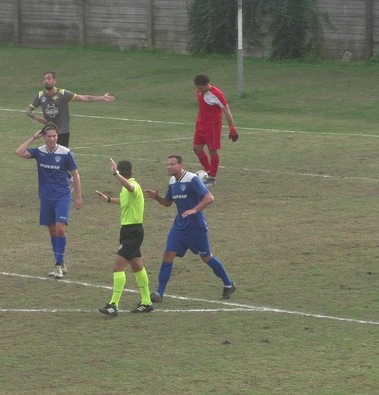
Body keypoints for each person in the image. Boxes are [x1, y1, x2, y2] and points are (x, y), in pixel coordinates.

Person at [144, 155, 236, 301]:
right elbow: (168, 203)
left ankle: (228, 284)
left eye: (172, 164)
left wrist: (195, 209)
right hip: (179, 227)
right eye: (167, 164)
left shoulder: (192, 179)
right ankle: (159, 293)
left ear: (181, 165)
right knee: (168, 254)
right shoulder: (172, 181)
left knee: (206, 257)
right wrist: (156, 197)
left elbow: (209, 197)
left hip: (196, 227)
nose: (169, 167)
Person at [15, 123, 83, 278]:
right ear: (44, 137)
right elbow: (19, 152)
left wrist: (78, 196)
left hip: (62, 196)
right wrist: (33, 137)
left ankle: (58, 265)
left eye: (55, 136)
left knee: (60, 228)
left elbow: (75, 174)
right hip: (46, 197)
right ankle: (61, 261)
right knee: (52, 230)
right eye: (49, 136)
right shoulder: (40, 152)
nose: (52, 139)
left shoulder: (65, 153)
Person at [95, 158, 154, 316]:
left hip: (133, 232)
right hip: (129, 231)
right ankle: (147, 302)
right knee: (136, 266)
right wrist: (108, 200)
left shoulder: (133, 185)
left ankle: (113, 304)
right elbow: (124, 201)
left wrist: (115, 174)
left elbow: (129, 187)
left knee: (118, 267)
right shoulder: (127, 189)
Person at [26, 71, 115, 148]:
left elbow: (84, 98)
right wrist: (37, 118)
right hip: (48, 132)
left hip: (62, 132)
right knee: (50, 156)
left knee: (62, 157)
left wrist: (102, 98)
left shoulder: (64, 94)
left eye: (49, 79)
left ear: (55, 80)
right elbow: (28, 111)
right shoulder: (40, 96)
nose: (46, 81)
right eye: (45, 79)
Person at [192, 74, 238, 187]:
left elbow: (226, 110)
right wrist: (197, 122)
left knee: (212, 151)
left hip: (213, 126)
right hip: (201, 125)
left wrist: (232, 128)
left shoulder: (217, 94)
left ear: (207, 85)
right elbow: (201, 108)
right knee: (196, 148)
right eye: (197, 88)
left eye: (200, 88)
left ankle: (212, 178)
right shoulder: (200, 92)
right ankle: (208, 171)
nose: (199, 90)